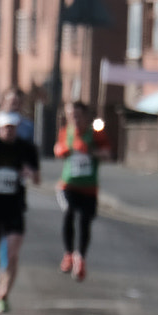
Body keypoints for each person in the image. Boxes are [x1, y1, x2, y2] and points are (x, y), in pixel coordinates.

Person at [0, 110, 40, 314]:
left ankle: (2, 295)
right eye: (6, 127)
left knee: (12, 254)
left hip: (14, 206)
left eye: (13, 128)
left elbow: (38, 179)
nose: (9, 131)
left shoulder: (26, 148)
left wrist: (29, 173)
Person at [53, 100, 110, 281]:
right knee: (69, 213)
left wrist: (90, 151)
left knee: (85, 221)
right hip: (68, 185)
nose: (74, 119)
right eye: (71, 115)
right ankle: (68, 254)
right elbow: (58, 149)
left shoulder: (95, 134)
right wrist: (64, 149)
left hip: (89, 187)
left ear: (85, 116)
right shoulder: (66, 132)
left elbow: (107, 155)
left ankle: (81, 258)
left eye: (77, 115)